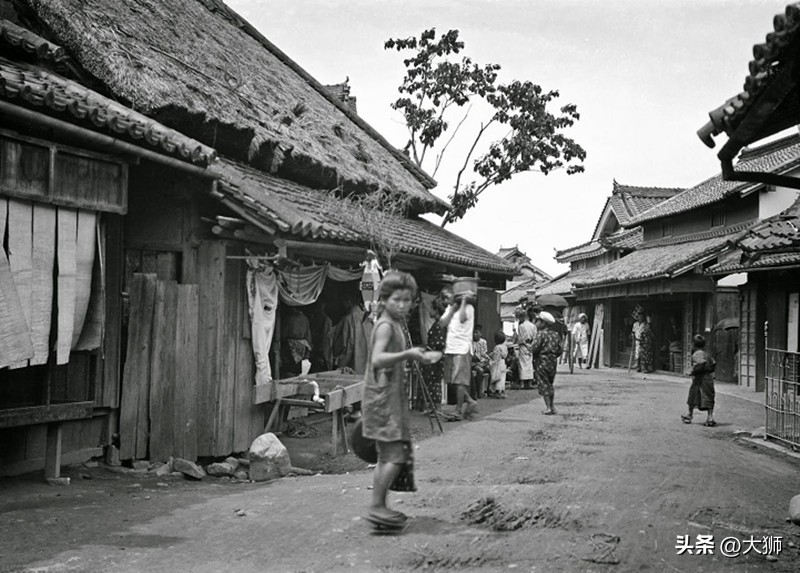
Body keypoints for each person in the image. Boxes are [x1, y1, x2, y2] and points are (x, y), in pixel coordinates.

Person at [362, 271, 439, 525]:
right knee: (394, 455)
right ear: (384, 299)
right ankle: (376, 506)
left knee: (388, 455)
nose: (403, 305)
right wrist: (409, 354)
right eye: (397, 299)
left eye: (407, 300)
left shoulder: (392, 323)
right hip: (383, 400)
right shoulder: (385, 325)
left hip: (387, 397)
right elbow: (377, 358)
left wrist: (416, 355)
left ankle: (380, 506)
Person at [440, 292, 478, 420]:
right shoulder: (449, 309)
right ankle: (469, 401)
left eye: (447, 297)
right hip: (451, 347)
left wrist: (462, 303)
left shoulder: (468, 308)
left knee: (460, 380)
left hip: (462, 348)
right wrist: (452, 310)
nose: (446, 300)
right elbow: (442, 323)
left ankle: (458, 410)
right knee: (451, 380)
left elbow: (462, 319)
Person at [422, 293, 448, 417]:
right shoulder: (439, 324)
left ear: (436, 310)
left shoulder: (438, 326)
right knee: (432, 383)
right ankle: (434, 408)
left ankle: (437, 408)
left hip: (436, 359)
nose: (429, 311)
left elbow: (438, 344)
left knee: (435, 382)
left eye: (431, 309)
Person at [531, 311, 563, 415]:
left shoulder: (541, 334)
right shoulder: (556, 335)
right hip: (552, 361)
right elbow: (559, 349)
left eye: (538, 321)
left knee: (544, 384)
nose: (536, 323)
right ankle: (552, 406)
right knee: (550, 384)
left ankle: (548, 407)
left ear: (543, 323)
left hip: (541, 361)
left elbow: (534, 349)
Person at [682, 334, 717, 426]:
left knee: (693, 396)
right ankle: (710, 417)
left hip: (700, 378)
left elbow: (700, 364)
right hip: (708, 378)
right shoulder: (707, 353)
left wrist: (692, 371)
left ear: (694, 345)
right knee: (709, 396)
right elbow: (713, 364)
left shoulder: (697, 354)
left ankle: (690, 415)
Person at [281, 306, 312, 376]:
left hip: (290, 346)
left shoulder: (289, 319)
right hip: (303, 346)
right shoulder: (305, 318)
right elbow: (308, 335)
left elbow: (283, 334)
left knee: (290, 370)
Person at [515, 307, 536, 390]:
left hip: (523, 346)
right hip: (531, 346)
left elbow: (520, 338)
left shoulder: (521, 326)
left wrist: (523, 343)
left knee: (522, 364)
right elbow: (535, 337)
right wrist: (531, 345)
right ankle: (530, 382)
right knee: (530, 364)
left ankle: (523, 383)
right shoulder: (533, 326)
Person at [471, 324, 491, 398]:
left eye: (477, 333)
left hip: (482, 363)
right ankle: (477, 392)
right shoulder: (470, 342)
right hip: (473, 363)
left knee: (491, 369)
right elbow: (472, 356)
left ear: (480, 333)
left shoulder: (483, 342)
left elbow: (484, 353)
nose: (475, 334)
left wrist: (486, 359)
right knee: (480, 371)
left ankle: (488, 390)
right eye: (474, 333)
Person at [489, 331, 508, 398]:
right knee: (502, 378)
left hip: (498, 363)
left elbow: (496, 357)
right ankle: (502, 391)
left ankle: (498, 392)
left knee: (497, 377)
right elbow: (505, 355)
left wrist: (491, 360)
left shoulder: (497, 347)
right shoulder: (504, 347)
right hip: (503, 362)